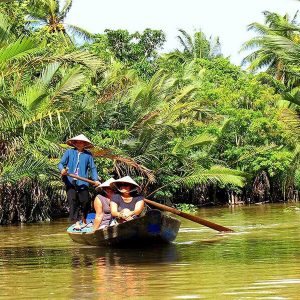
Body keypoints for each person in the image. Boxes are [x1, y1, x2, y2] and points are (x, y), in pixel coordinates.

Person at [58, 134, 100, 230]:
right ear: (74, 143)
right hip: (70, 181)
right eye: (77, 142)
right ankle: (76, 222)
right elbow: (61, 163)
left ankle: (84, 220)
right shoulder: (69, 152)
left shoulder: (88, 155)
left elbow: (92, 168)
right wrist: (62, 170)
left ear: (84, 144)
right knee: (72, 200)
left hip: (83, 181)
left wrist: (95, 179)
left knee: (85, 201)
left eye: (81, 142)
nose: (79, 143)